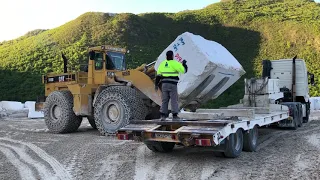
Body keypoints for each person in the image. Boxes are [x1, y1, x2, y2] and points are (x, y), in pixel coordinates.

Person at [155, 50, 188, 121]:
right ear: (172, 56)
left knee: (164, 100)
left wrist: (156, 85)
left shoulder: (162, 64)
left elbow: (158, 76)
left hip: (164, 85)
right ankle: (175, 116)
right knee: (174, 100)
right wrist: (184, 64)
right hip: (172, 85)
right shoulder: (175, 63)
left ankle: (163, 116)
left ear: (166, 56)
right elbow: (184, 71)